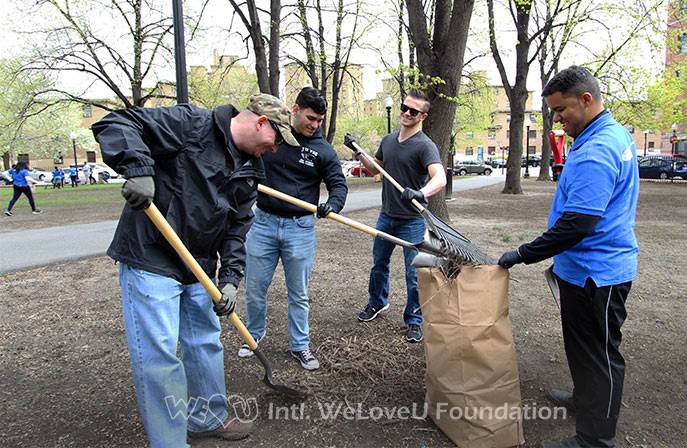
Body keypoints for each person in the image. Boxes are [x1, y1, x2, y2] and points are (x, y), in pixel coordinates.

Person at [91, 93, 298, 447]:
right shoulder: (192, 124)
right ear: (261, 122)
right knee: (158, 356)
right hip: (151, 255)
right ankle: (170, 442)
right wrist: (139, 170)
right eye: (276, 139)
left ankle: (207, 419)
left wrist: (230, 280)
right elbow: (117, 123)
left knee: (204, 343)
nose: (275, 148)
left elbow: (237, 229)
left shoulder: (250, 171)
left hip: (198, 265)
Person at [497, 65, 639, 448]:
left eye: (561, 110)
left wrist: (522, 253)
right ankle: (585, 398)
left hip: (598, 274)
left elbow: (579, 223)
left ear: (586, 100)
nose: (557, 119)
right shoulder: (610, 132)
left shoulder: (597, 149)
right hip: (582, 271)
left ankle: (595, 440)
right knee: (582, 345)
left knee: (599, 355)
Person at [239, 87, 348, 371]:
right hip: (262, 224)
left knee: (298, 293)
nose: (314, 125)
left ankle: (300, 345)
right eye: (311, 118)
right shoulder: (272, 136)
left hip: (300, 229)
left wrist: (333, 204)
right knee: (254, 288)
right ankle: (253, 336)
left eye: (320, 121)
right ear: (295, 110)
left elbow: (338, 184)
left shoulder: (322, 150)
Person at [345, 88, 446, 343]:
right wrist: (358, 150)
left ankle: (414, 320)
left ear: (422, 116)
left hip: (412, 221)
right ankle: (377, 303)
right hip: (386, 216)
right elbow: (374, 168)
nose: (407, 113)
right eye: (405, 107)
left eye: (414, 111)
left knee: (415, 274)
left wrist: (422, 193)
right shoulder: (389, 140)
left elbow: (440, 177)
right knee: (379, 265)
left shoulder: (425, 145)